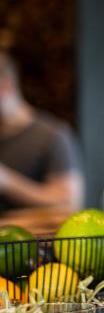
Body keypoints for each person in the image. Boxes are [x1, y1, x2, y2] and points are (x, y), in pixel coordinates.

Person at [0, 51, 84, 214]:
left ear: (6, 85)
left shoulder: (52, 136)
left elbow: (69, 203)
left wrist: (7, 182)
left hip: (32, 238)